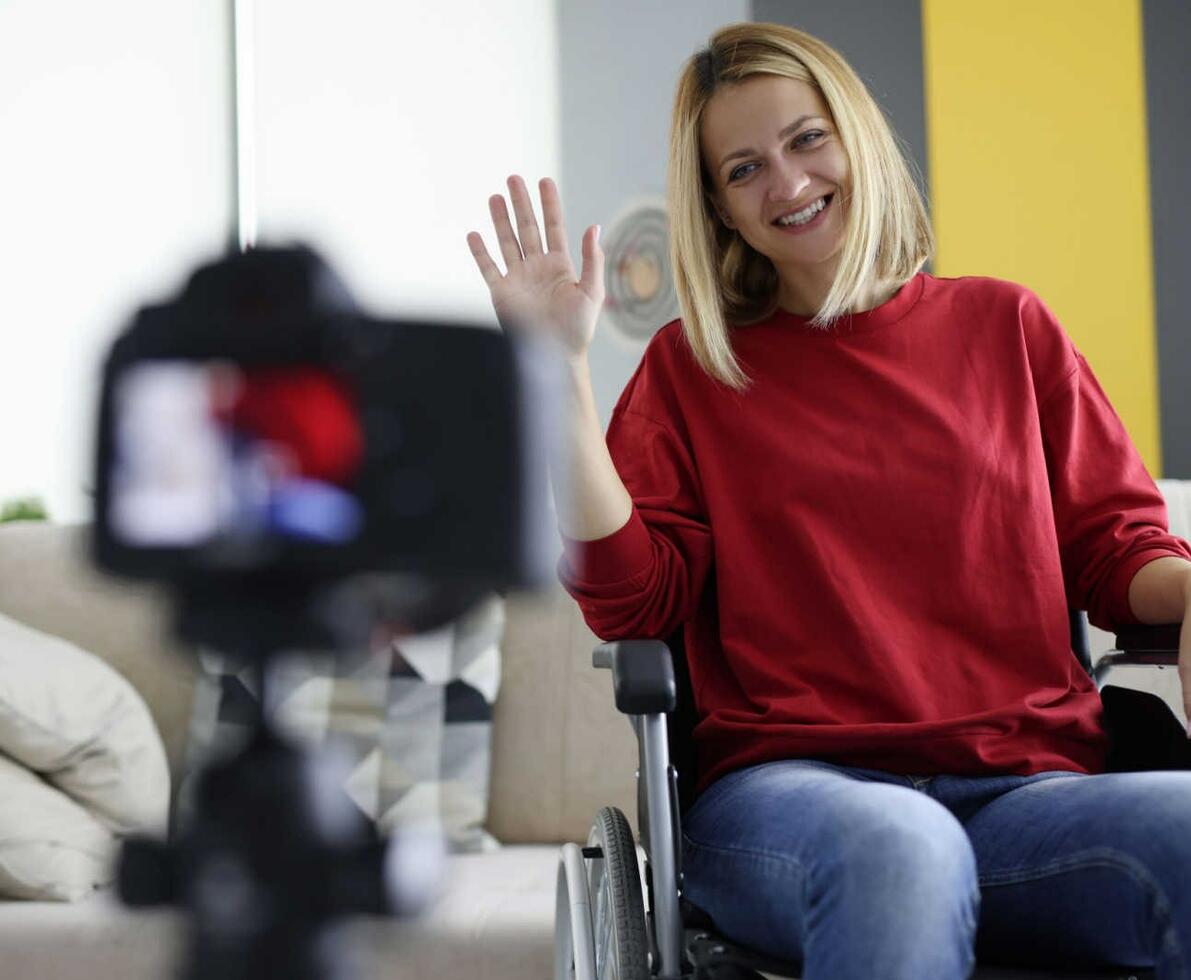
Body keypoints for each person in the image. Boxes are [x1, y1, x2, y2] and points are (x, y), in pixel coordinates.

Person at [466, 21, 1191, 980]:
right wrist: (558, 373)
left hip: (1026, 794)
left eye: (807, 139)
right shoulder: (692, 370)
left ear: (854, 136)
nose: (788, 182)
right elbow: (634, 600)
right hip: (793, 798)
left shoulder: (1006, 326)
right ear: (719, 209)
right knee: (898, 845)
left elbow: (1114, 548)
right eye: (743, 168)